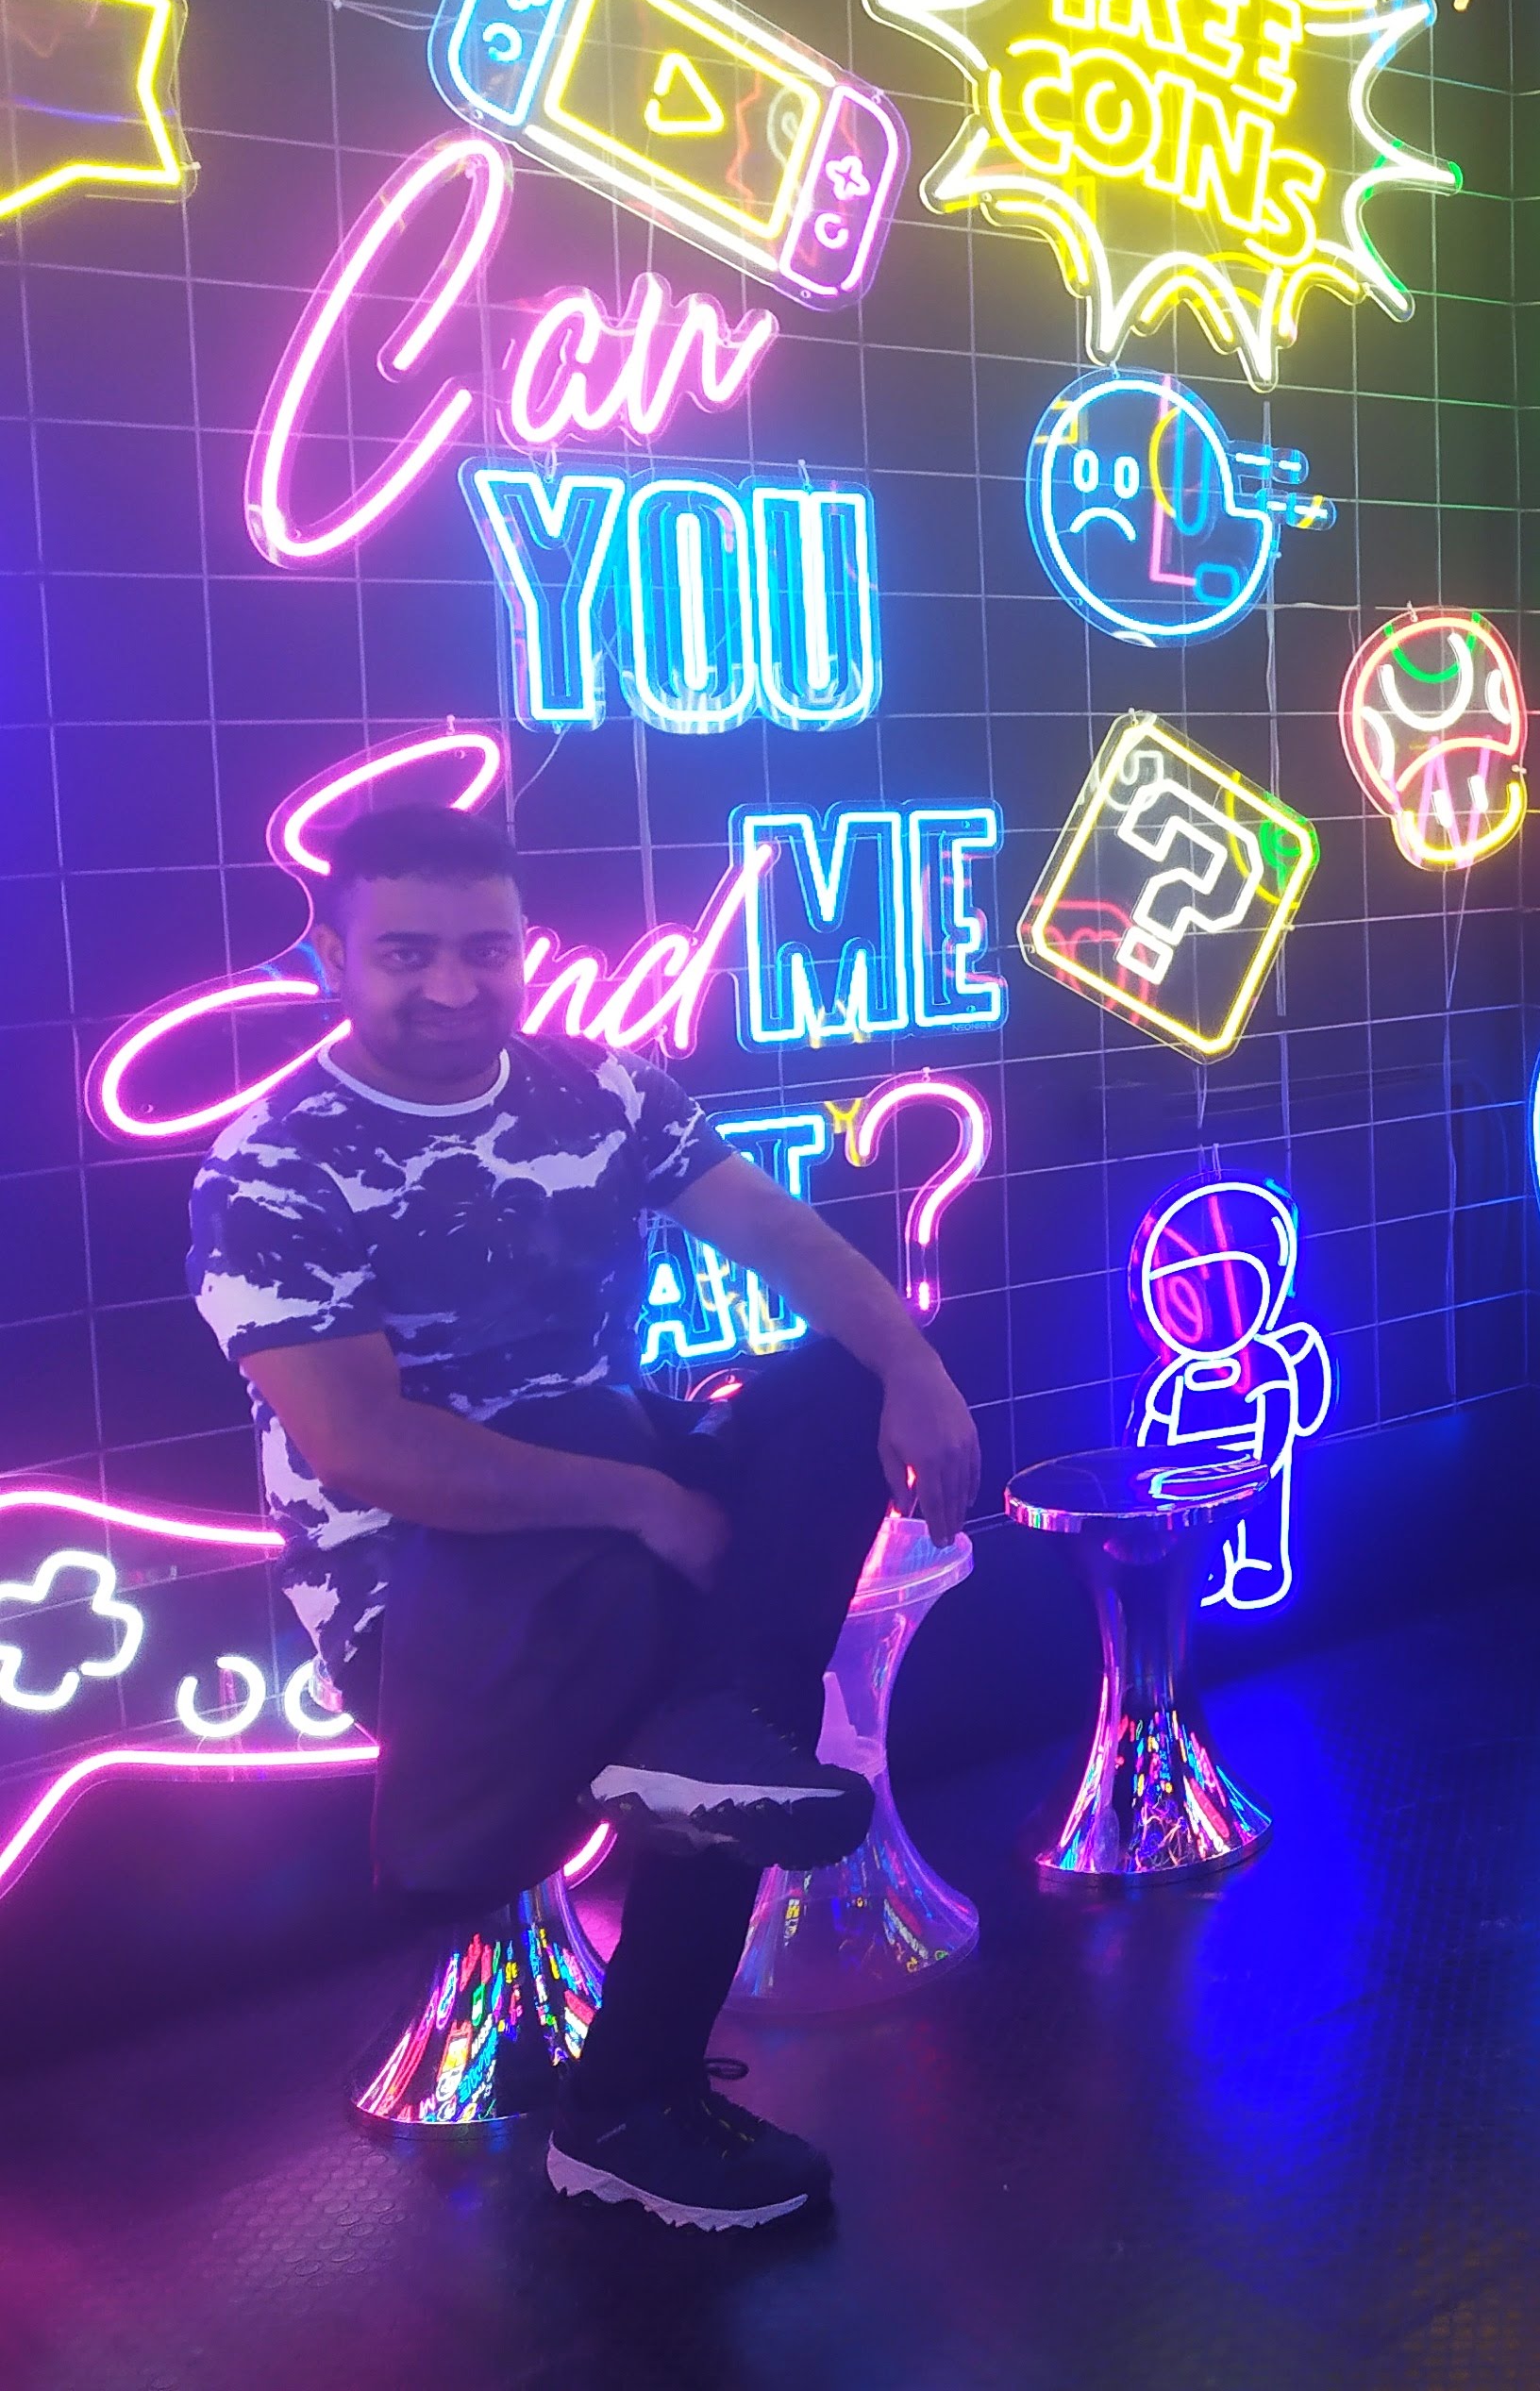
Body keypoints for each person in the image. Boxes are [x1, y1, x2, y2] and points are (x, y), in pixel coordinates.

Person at [187, 802, 980, 2232]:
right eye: (406, 954)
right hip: (417, 1588)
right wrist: (648, 1501)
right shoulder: (274, 1166)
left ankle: (649, 2022)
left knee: (827, 1402)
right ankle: (637, 2083)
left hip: (606, 1516)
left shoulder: (603, 1091)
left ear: (524, 947)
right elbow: (365, 1447)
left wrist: (914, 1369)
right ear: (333, 959)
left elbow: (785, 1237)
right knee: (630, 1487)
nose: (452, 987)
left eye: (484, 950)